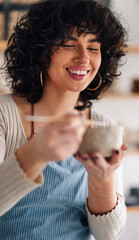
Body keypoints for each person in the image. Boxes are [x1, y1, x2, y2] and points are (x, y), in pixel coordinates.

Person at [0, 0, 128, 239]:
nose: (83, 58)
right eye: (69, 44)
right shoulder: (4, 114)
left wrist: (102, 180)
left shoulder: (103, 126)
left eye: (93, 47)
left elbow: (108, 234)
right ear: (40, 50)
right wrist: (35, 153)